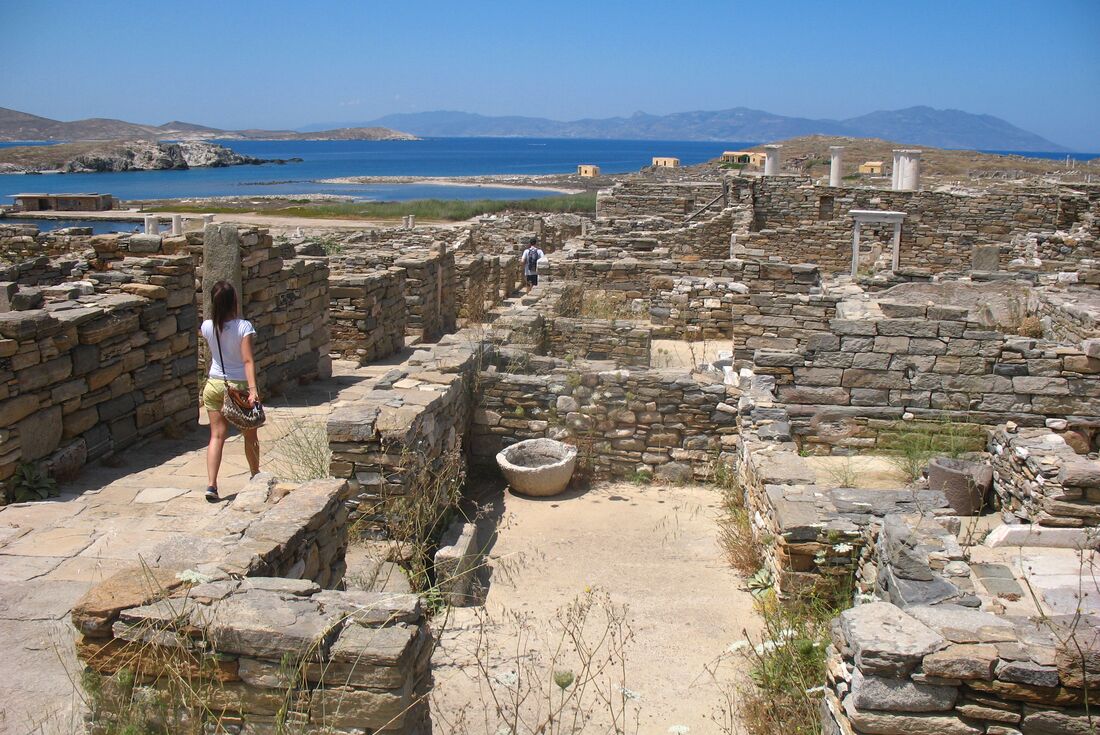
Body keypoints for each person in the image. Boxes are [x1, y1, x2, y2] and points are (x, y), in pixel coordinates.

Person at [199, 280, 260, 503]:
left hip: (214, 384)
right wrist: (253, 390)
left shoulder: (207, 326)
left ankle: (212, 484)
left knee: (216, 435)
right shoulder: (243, 327)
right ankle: (255, 475)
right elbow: (247, 360)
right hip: (238, 387)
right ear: (234, 300)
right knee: (250, 435)